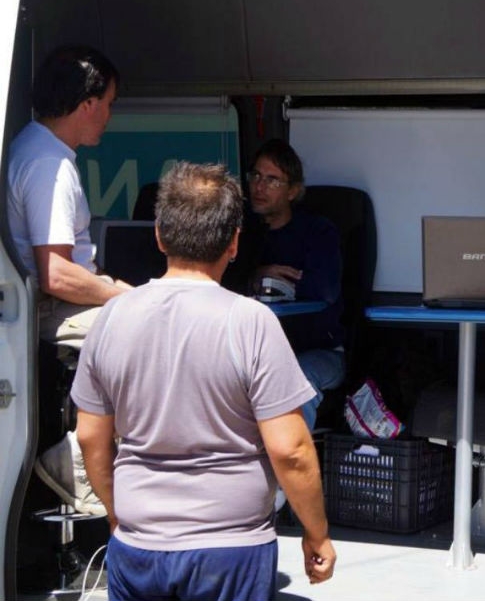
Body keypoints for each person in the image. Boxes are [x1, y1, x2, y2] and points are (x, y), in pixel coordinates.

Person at [71, 162, 336, 600]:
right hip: (231, 548)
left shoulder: (112, 317)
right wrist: (317, 533)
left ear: (159, 235)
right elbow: (290, 450)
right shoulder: (252, 322)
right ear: (234, 243)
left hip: (138, 545)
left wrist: (119, 514)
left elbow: (89, 437)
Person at [6, 45, 131, 515]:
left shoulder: (33, 146)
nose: (109, 116)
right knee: (151, 330)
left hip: (55, 306)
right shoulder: (50, 166)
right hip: (51, 311)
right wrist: (118, 294)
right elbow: (56, 273)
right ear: (87, 104)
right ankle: (74, 456)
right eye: (109, 104)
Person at [248, 138, 345, 432]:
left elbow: (325, 290)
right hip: (255, 352)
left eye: (272, 180)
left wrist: (279, 288)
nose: (260, 186)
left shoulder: (318, 232)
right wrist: (258, 275)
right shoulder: (242, 232)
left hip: (319, 351)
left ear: (293, 191)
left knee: (296, 379)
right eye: (256, 176)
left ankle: (290, 460)